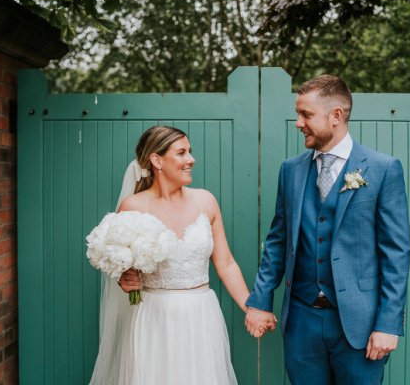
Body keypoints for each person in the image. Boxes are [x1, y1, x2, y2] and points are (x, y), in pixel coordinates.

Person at [244, 75, 410, 384]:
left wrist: (388, 324)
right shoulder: (290, 170)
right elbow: (278, 241)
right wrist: (259, 300)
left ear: (336, 115)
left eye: (306, 114)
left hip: (359, 324)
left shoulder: (383, 168)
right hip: (302, 321)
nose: (297, 122)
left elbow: (396, 254)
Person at [89, 126, 272, 385]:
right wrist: (125, 279)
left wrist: (251, 307)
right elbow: (123, 266)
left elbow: (226, 264)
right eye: (182, 153)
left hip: (201, 314)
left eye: (190, 152)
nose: (191, 159)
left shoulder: (206, 201)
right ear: (156, 160)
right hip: (153, 316)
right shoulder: (133, 207)